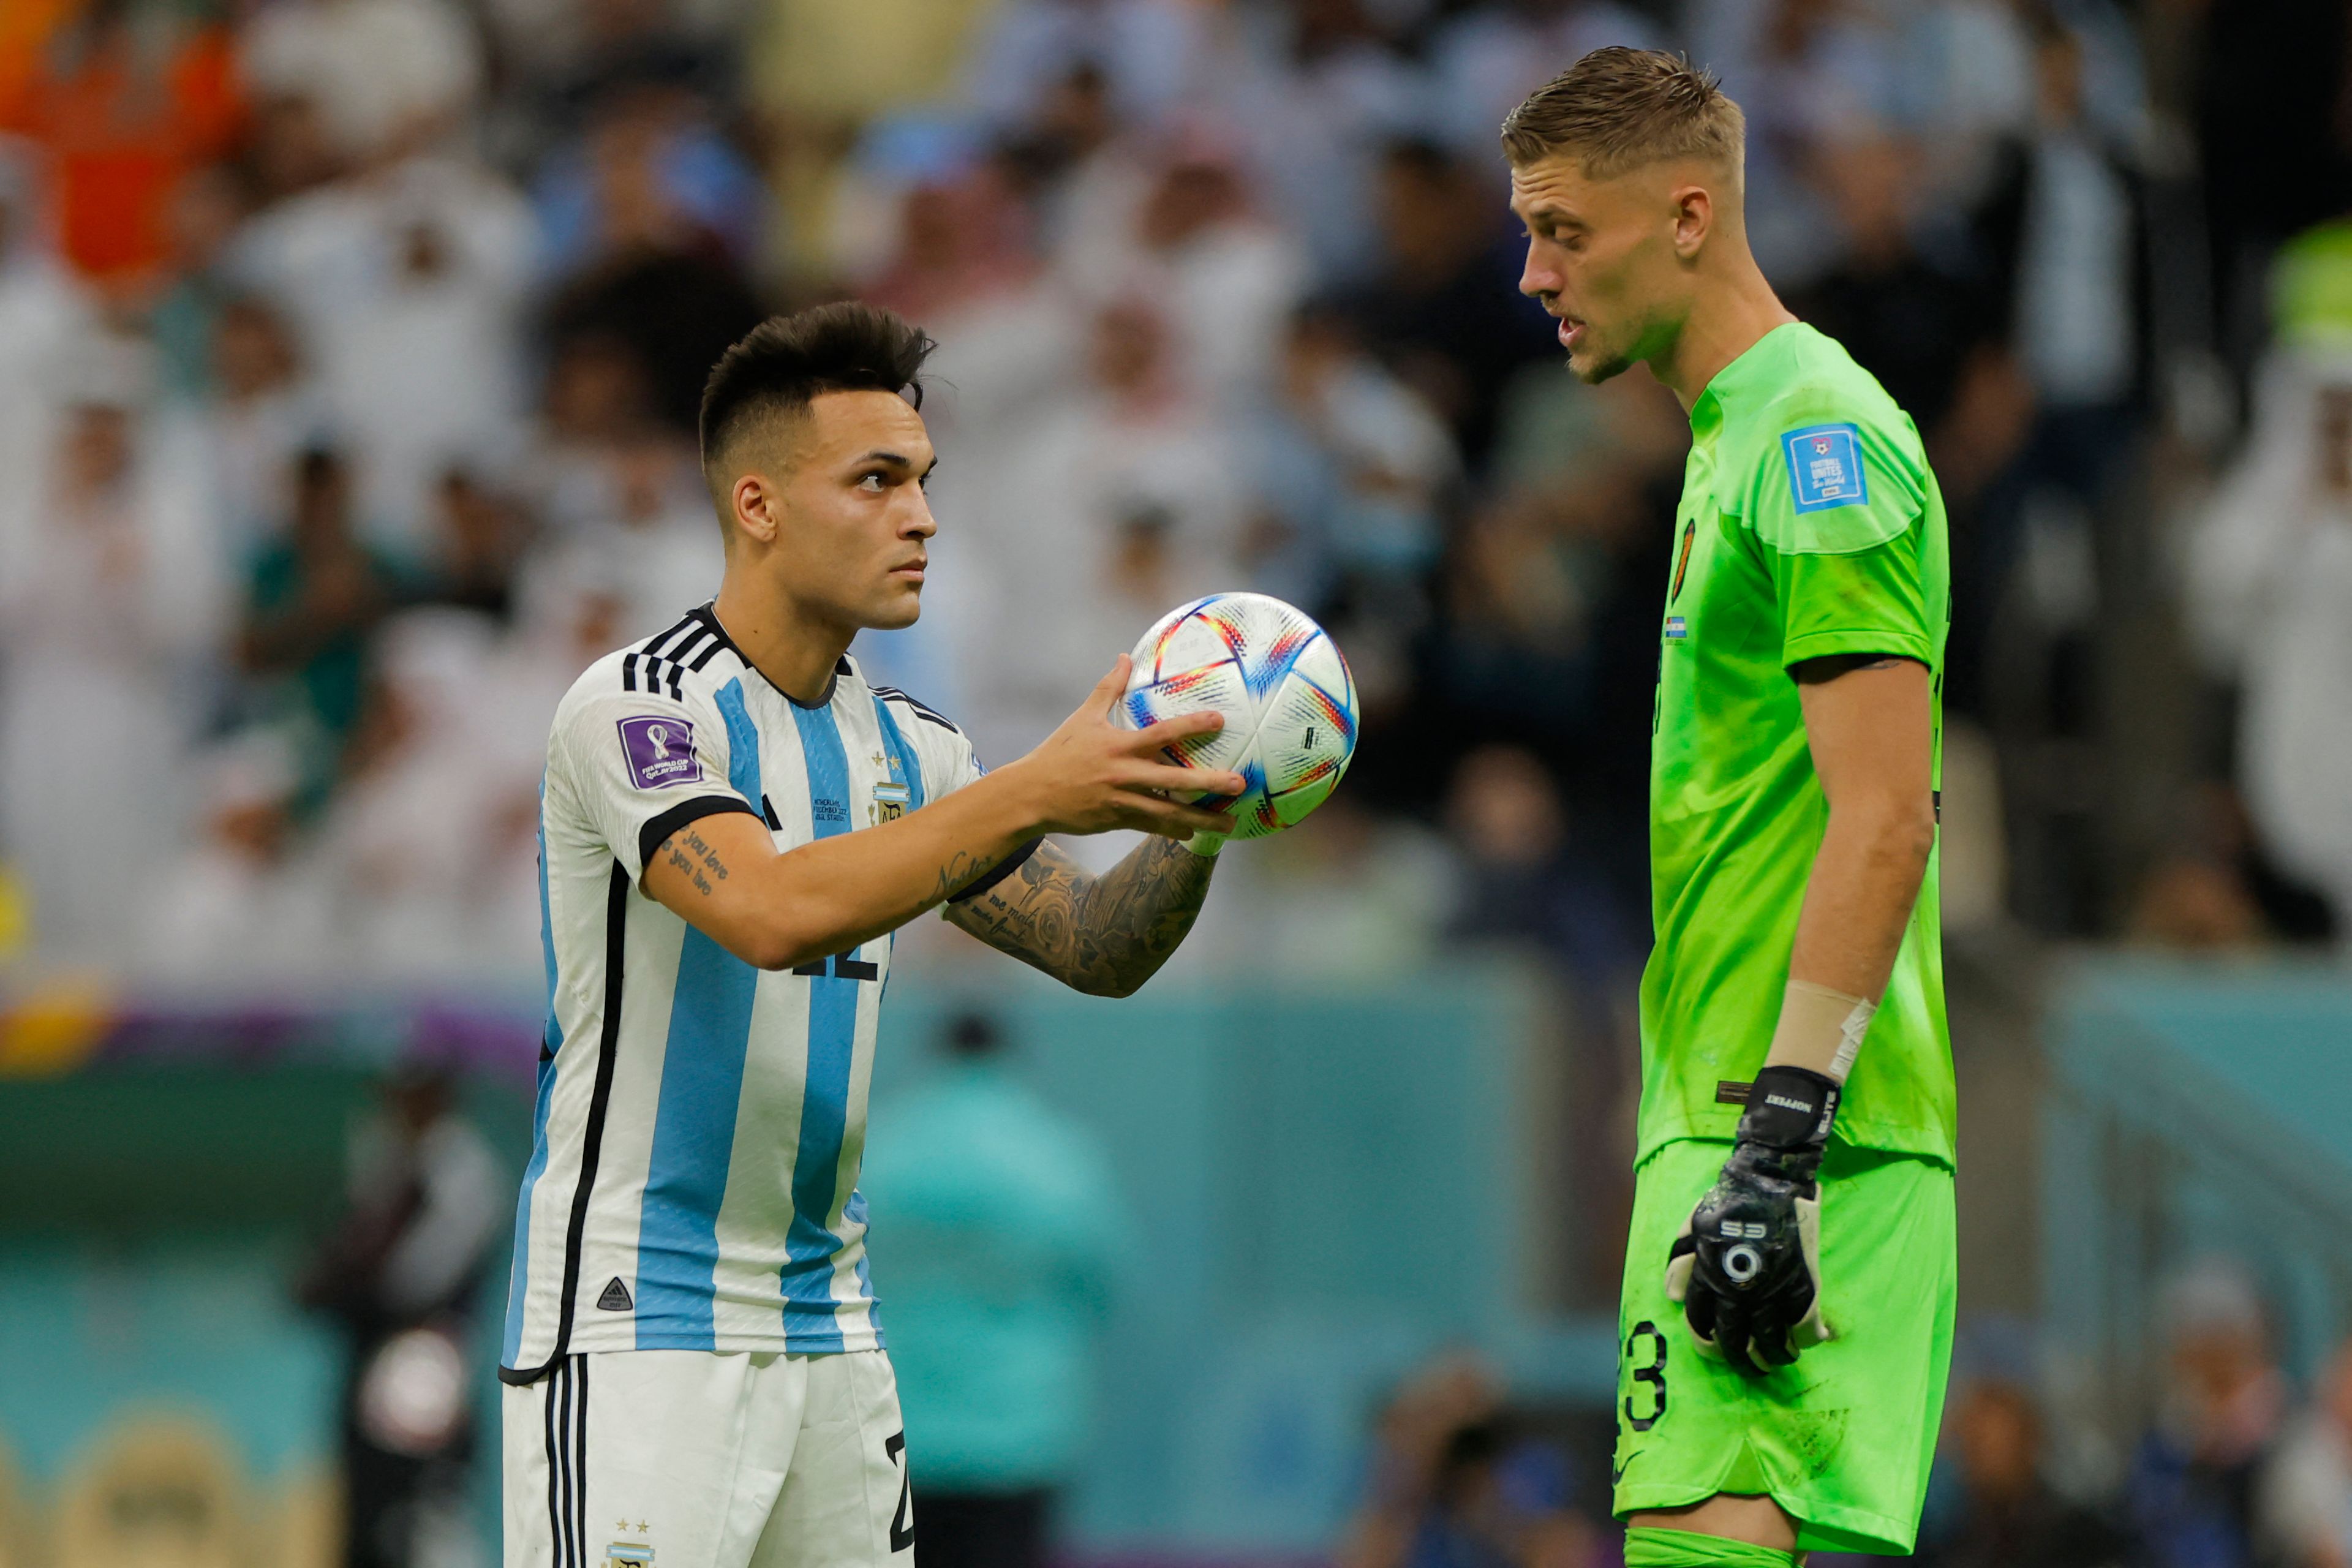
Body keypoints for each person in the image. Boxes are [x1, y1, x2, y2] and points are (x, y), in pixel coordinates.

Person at [499, 301, 1246, 1566]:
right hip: (641, 1328)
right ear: (759, 505)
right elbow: (769, 907)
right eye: (878, 480)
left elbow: (1098, 944)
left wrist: (1211, 806)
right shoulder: (635, 708)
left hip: (833, 1337)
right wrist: (1038, 786)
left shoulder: (912, 748)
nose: (924, 516)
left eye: (926, 480)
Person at [1502, 49, 1953, 1566]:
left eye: (1564, 230)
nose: (1529, 271)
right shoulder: (1729, 442)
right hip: (1746, 1111)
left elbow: (1887, 812)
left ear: (1687, 214)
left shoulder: (1818, 444)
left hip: (1782, 1128)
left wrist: (1775, 1141)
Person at [859, 1012, 1133, 1568]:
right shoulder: (1056, 1154)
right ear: (1009, 1060)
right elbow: (1102, 1279)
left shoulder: (877, 1149)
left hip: (896, 1425)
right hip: (1021, 1430)